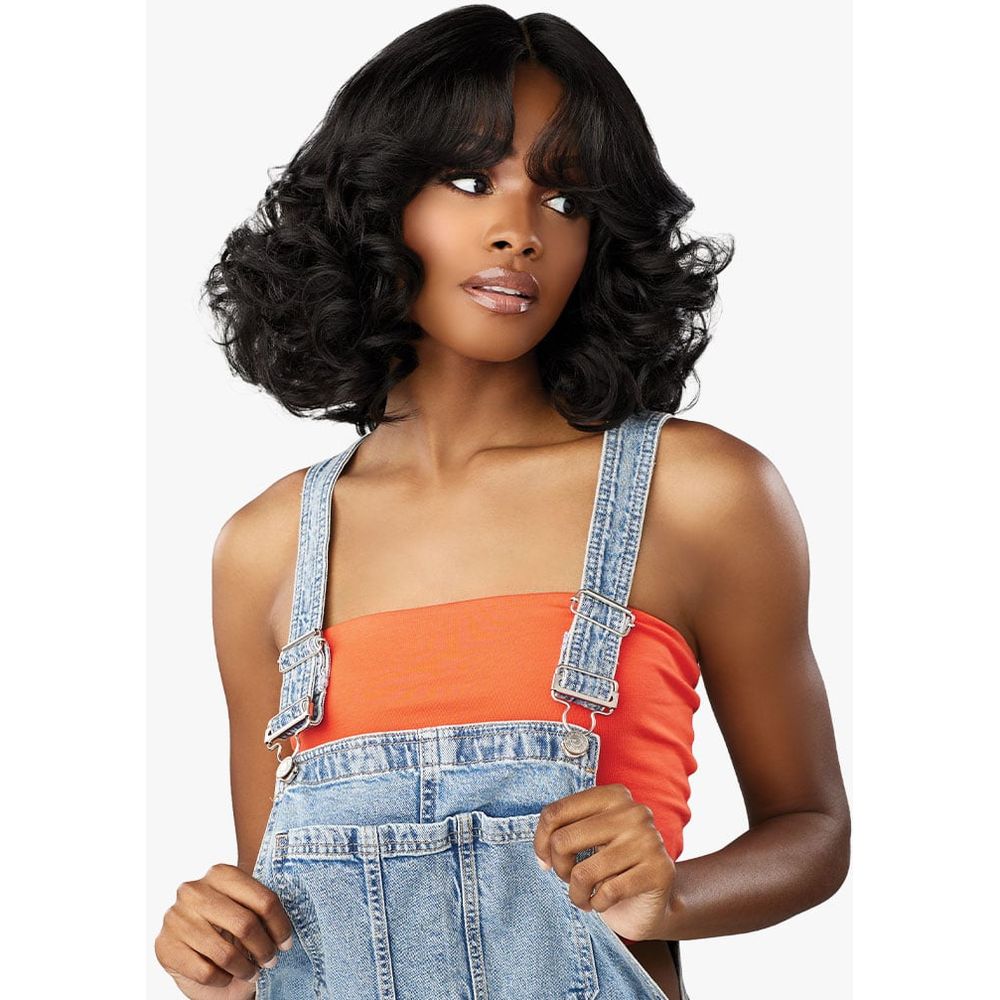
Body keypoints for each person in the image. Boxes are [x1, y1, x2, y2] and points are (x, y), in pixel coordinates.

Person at [154, 6, 851, 998]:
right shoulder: (266, 548)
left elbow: (813, 828)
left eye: (565, 199)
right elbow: (288, 928)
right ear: (376, 202)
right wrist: (223, 960)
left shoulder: (700, 495)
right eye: (471, 181)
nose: (520, 232)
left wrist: (675, 897)